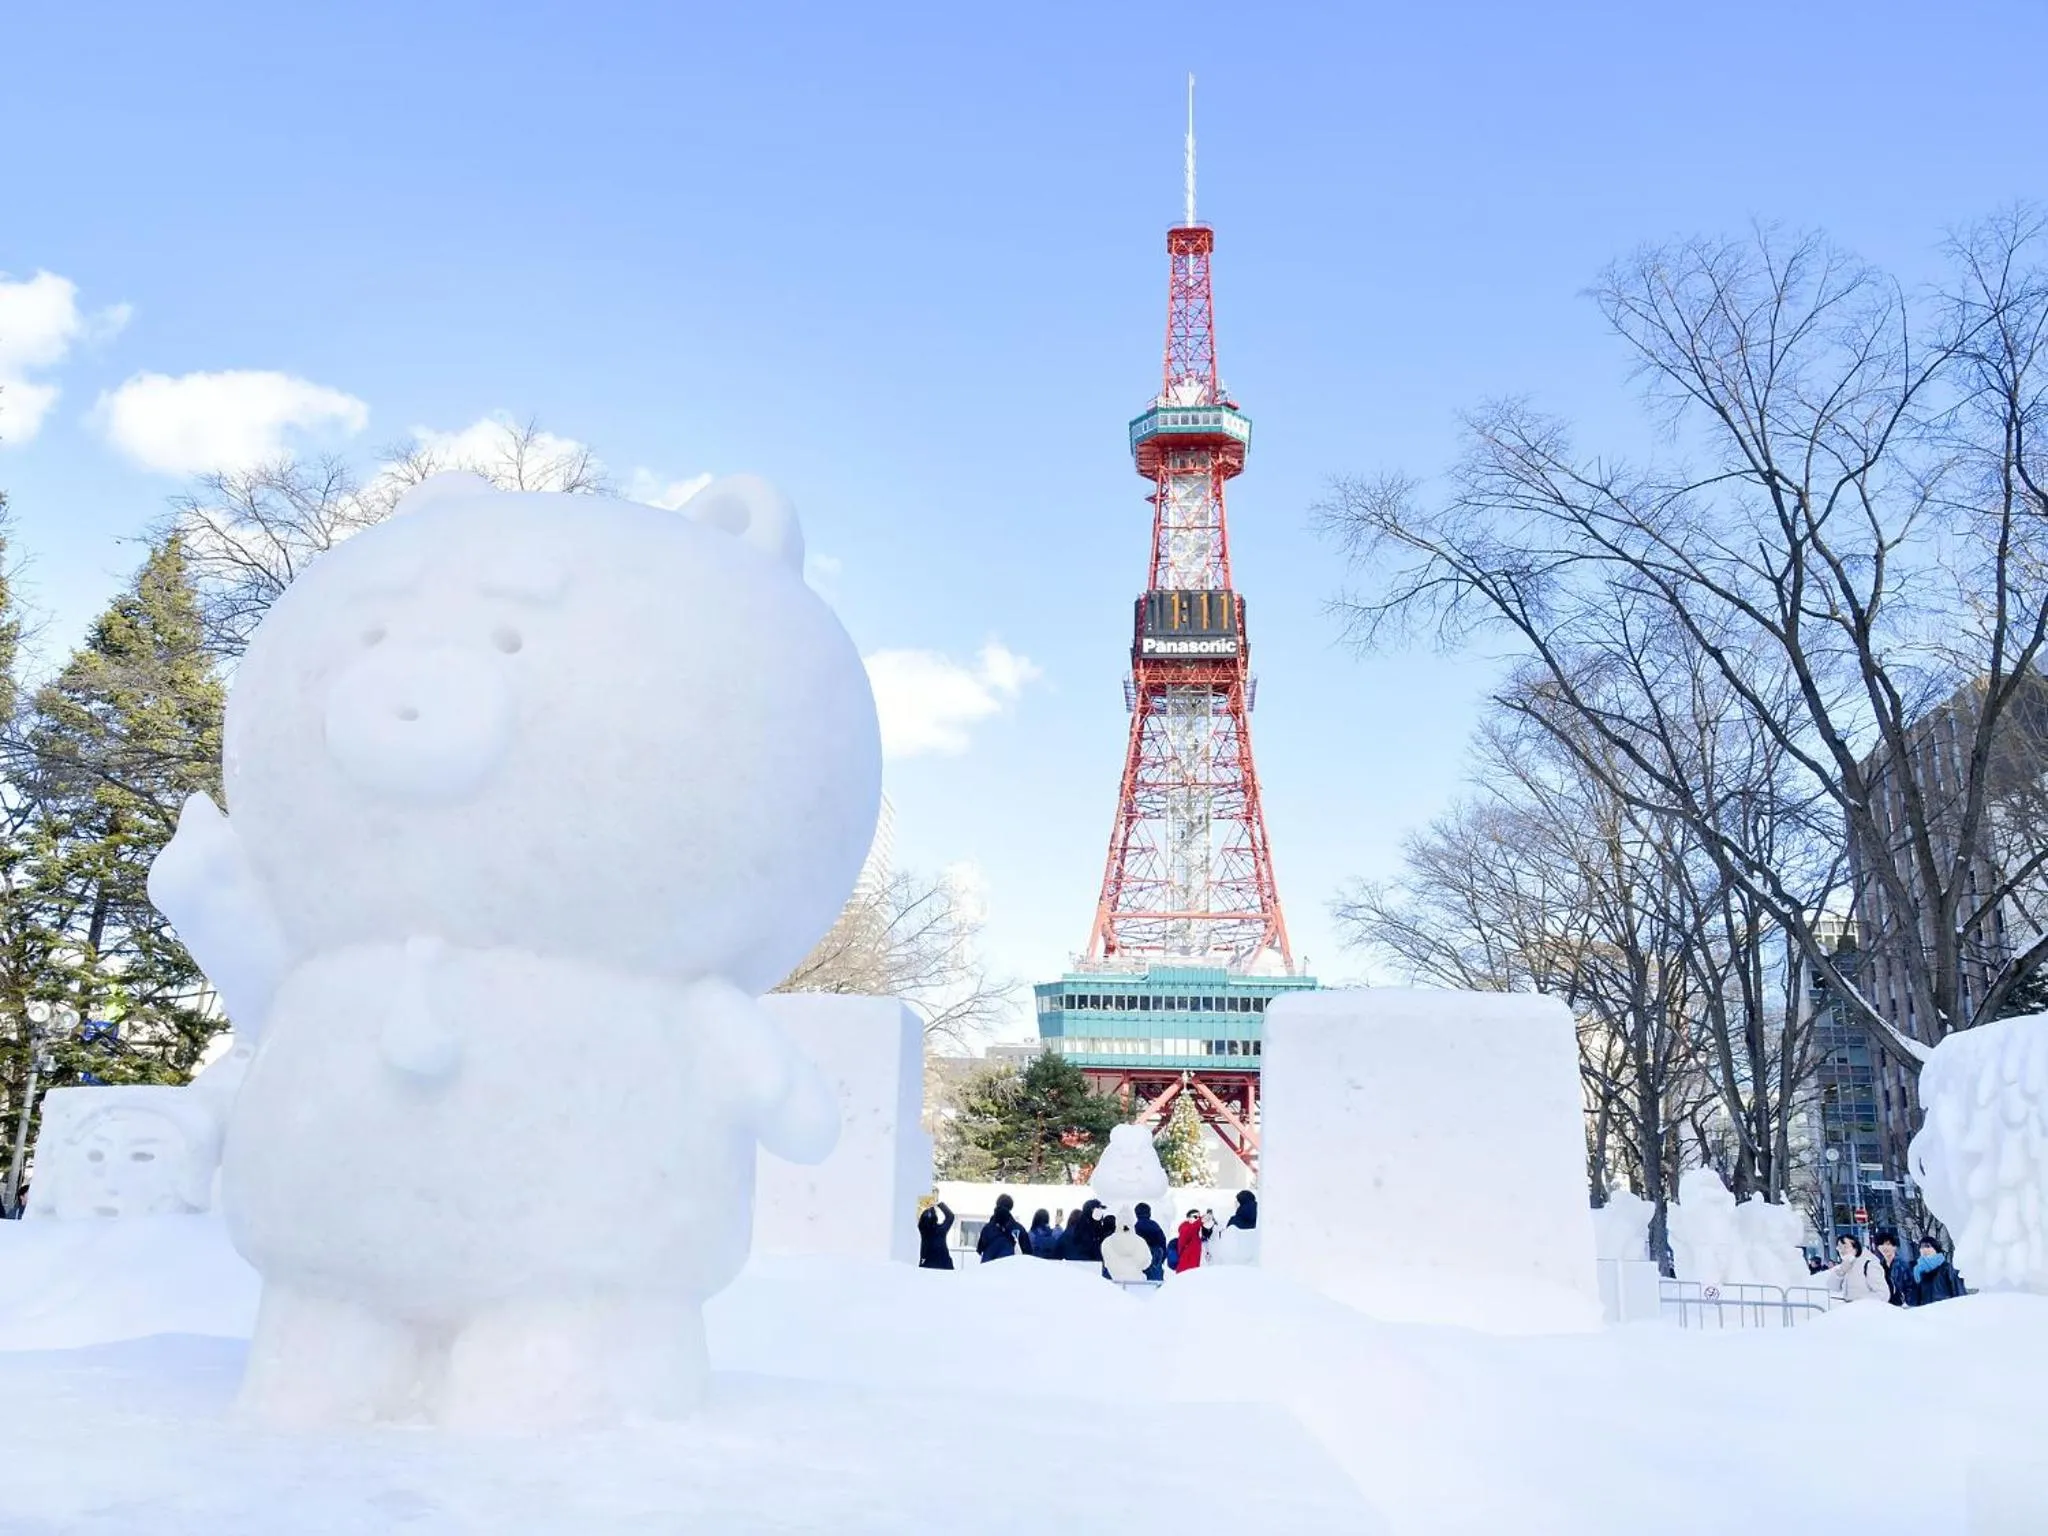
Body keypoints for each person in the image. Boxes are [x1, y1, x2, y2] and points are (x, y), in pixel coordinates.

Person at [1825, 1234, 1890, 1303]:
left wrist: (1858, 1303)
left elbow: (1883, 1294)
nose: (1842, 1251)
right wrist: (1841, 1272)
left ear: (1856, 1247)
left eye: (1845, 1247)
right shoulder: (1847, 1263)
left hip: (1866, 1311)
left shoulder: (1869, 1264)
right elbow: (1832, 1287)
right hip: (1851, 1310)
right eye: (1839, 1248)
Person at [1910, 1236, 1965, 1305]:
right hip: (1925, 1312)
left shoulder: (1946, 1268)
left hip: (1945, 1310)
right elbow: (1914, 1300)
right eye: (1921, 1247)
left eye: (1928, 1246)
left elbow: (1959, 1292)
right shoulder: (1917, 1271)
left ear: (1936, 1249)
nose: (1924, 1249)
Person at [975, 1193, 1028, 1263]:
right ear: (1011, 1207)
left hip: (988, 1267)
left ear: (997, 1204)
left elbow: (979, 1250)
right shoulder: (1017, 1228)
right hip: (1006, 1267)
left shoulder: (987, 1228)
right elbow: (1028, 1251)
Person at [1873, 1230, 1912, 1306]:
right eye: (1881, 1244)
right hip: (1886, 1305)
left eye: (1888, 1244)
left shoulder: (1902, 1265)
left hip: (1901, 1306)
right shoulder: (1879, 1266)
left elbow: (1910, 1287)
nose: (1885, 1247)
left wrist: (1907, 1303)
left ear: (1894, 1247)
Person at [1133, 1202, 1168, 1283]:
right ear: (1149, 1213)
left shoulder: (1135, 1227)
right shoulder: (1155, 1225)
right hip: (1156, 1259)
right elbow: (1163, 1243)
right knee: (1156, 1285)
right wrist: (1161, 1259)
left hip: (1141, 1260)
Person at [916, 1200, 955, 1270]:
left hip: (927, 1265)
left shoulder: (924, 1230)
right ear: (936, 1218)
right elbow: (950, 1216)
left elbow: (921, 1221)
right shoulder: (941, 1230)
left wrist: (928, 1208)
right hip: (944, 1265)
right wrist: (939, 1204)